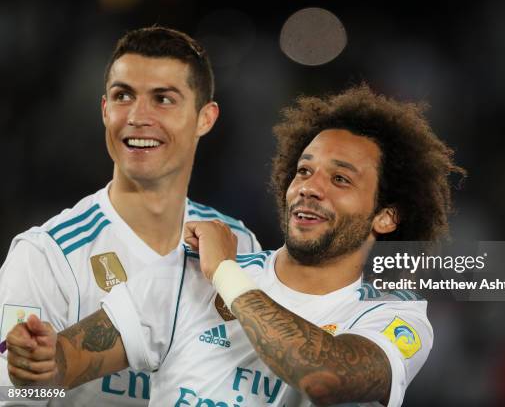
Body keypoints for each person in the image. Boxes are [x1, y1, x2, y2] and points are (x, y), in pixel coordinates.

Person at [6, 84, 463, 406]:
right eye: (304, 171)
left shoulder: (393, 316)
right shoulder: (186, 277)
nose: (310, 187)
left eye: (340, 179)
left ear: (385, 216)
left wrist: (225, 275)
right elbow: (62, 366)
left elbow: (324, 377)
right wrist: (39, 361)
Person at [0, 26, 260, 406]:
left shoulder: (238, 243)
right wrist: (37, 375)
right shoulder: (44, 256)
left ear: (205, 118)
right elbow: (12, 394)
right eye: (123, 96)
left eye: (163, 99)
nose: (138, 116)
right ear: (105, 110)